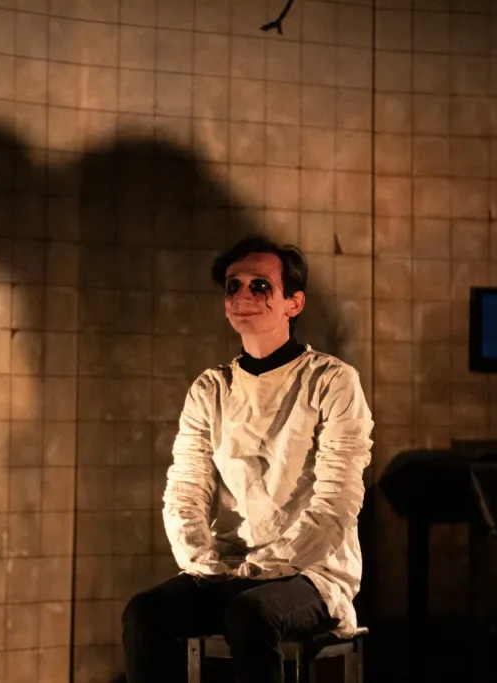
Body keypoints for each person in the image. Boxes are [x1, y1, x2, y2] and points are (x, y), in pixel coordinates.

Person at [122, 235, 374, 683]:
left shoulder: (331, 381)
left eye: (260, 286)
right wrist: (201, 558)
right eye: (233, 286)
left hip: (311, 572)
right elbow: (185, 487)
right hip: (229, 569)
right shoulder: (210, 389)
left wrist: (269, 566)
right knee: (145, 613)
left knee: (250, 614)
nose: (243, 295)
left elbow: (338, 500)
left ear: (293, 303)